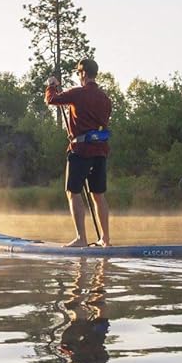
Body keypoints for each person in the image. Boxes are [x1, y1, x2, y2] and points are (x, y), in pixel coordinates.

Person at [44, 58, 112, 247]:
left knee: (73, 192)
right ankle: (105, 239)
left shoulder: (78, 94)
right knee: (98, 194)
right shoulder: (106, 99)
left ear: (83, 73)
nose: (78, 76)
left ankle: (81, 239)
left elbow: (51, 100)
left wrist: (51, 85)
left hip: (80, 150)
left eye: (78, 73)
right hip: (100, 151)